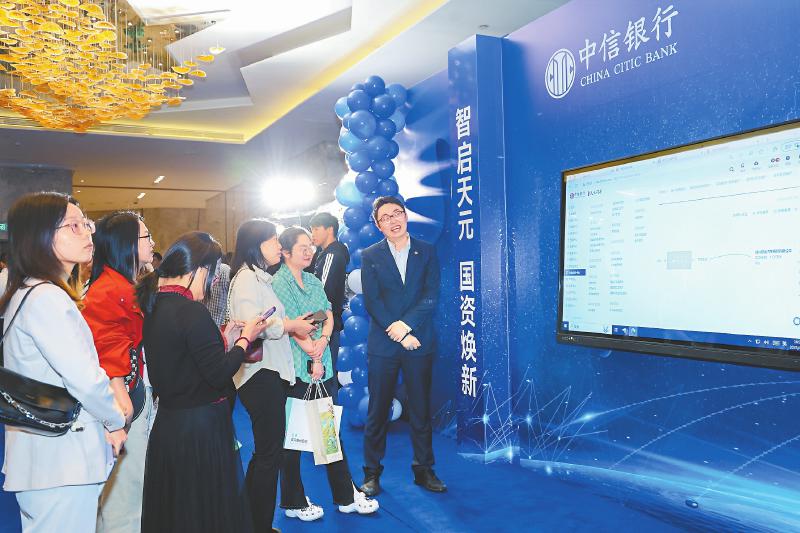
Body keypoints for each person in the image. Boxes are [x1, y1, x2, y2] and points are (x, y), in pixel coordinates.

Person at [0, 192, 127, 532]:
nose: (87, 233)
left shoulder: (27, 289)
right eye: (73, 226)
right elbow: (85, 379)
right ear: (40, 235)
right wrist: (115, 420)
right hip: (61, 459)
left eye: (86, 224)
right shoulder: (46, 297)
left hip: (47, 457)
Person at [136, 231, 269, 533]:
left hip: (171, 425)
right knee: (205, 510)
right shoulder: (191, 311)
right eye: (213, 272)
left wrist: (225, 340)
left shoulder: (156, 305)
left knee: (179, 510)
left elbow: (184, 359)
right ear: (200, 270)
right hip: (200, 429)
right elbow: (219, 373)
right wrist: (246, 338)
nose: (214, 280)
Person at [273, 227, 379, 520]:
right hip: (295, 371)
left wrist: (320, 341)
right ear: (286, 252)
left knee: (328, 434)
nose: (309, 251)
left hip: (321, 366)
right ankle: (293, 502)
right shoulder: (279, 282)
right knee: (293, 439)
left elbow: (327, 314)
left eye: (310, 245)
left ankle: (345, 496)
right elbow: (292, 324)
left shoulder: (311, 279)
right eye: (302, 247)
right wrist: (312, 350)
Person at [226, 219, 318, 531]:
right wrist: (291, 325)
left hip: (268, 372)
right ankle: (256, 524)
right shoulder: (247, 280)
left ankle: (253, 522)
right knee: (268, 453)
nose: (279, 246)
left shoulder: (259, 278)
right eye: (273, 240)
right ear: (256, 244)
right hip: (259, 373)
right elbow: (253, 325)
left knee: (268, 452)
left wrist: (291, 324)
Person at [359, 196, 446, 496]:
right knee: (378, 410)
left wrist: (405, 326)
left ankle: (424, 470)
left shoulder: (427, 250)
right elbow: (373, 301)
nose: (393, 221)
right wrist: (397, 333)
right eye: (385, 218)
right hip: (383, 345)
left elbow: (431, 296)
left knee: (420, 409)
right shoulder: (370, 255)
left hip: (418, 340)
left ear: (406, 216)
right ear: (378, 225)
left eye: (397, 213)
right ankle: (371, 473)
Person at [82, 211, 156, 533]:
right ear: (126, 244)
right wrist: (121, 393)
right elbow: (108, 347)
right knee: (125, 495)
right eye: (146, 236)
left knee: (119, 494)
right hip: (125, 400)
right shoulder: (111, 289)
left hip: (129, 394)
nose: (152, 243)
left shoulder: (121, 284)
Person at [308, 212, 350, 373]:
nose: (312, 234)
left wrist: (312, 322)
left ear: (330, 229)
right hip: (325, 323)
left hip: (325, 325)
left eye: (316, 229)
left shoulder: (332, 255)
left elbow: (324, 295)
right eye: (311, 230)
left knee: (324, 374)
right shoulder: (326, 253)